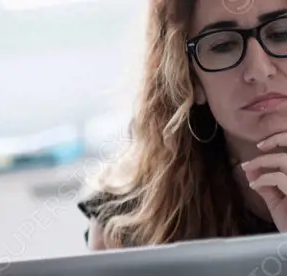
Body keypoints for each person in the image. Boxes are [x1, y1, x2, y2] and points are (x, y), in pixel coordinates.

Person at [80, 0, 287, 249]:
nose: (258, 70)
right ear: (190, 78)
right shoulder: (125, 222)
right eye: (222, 45)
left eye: (282, 33)